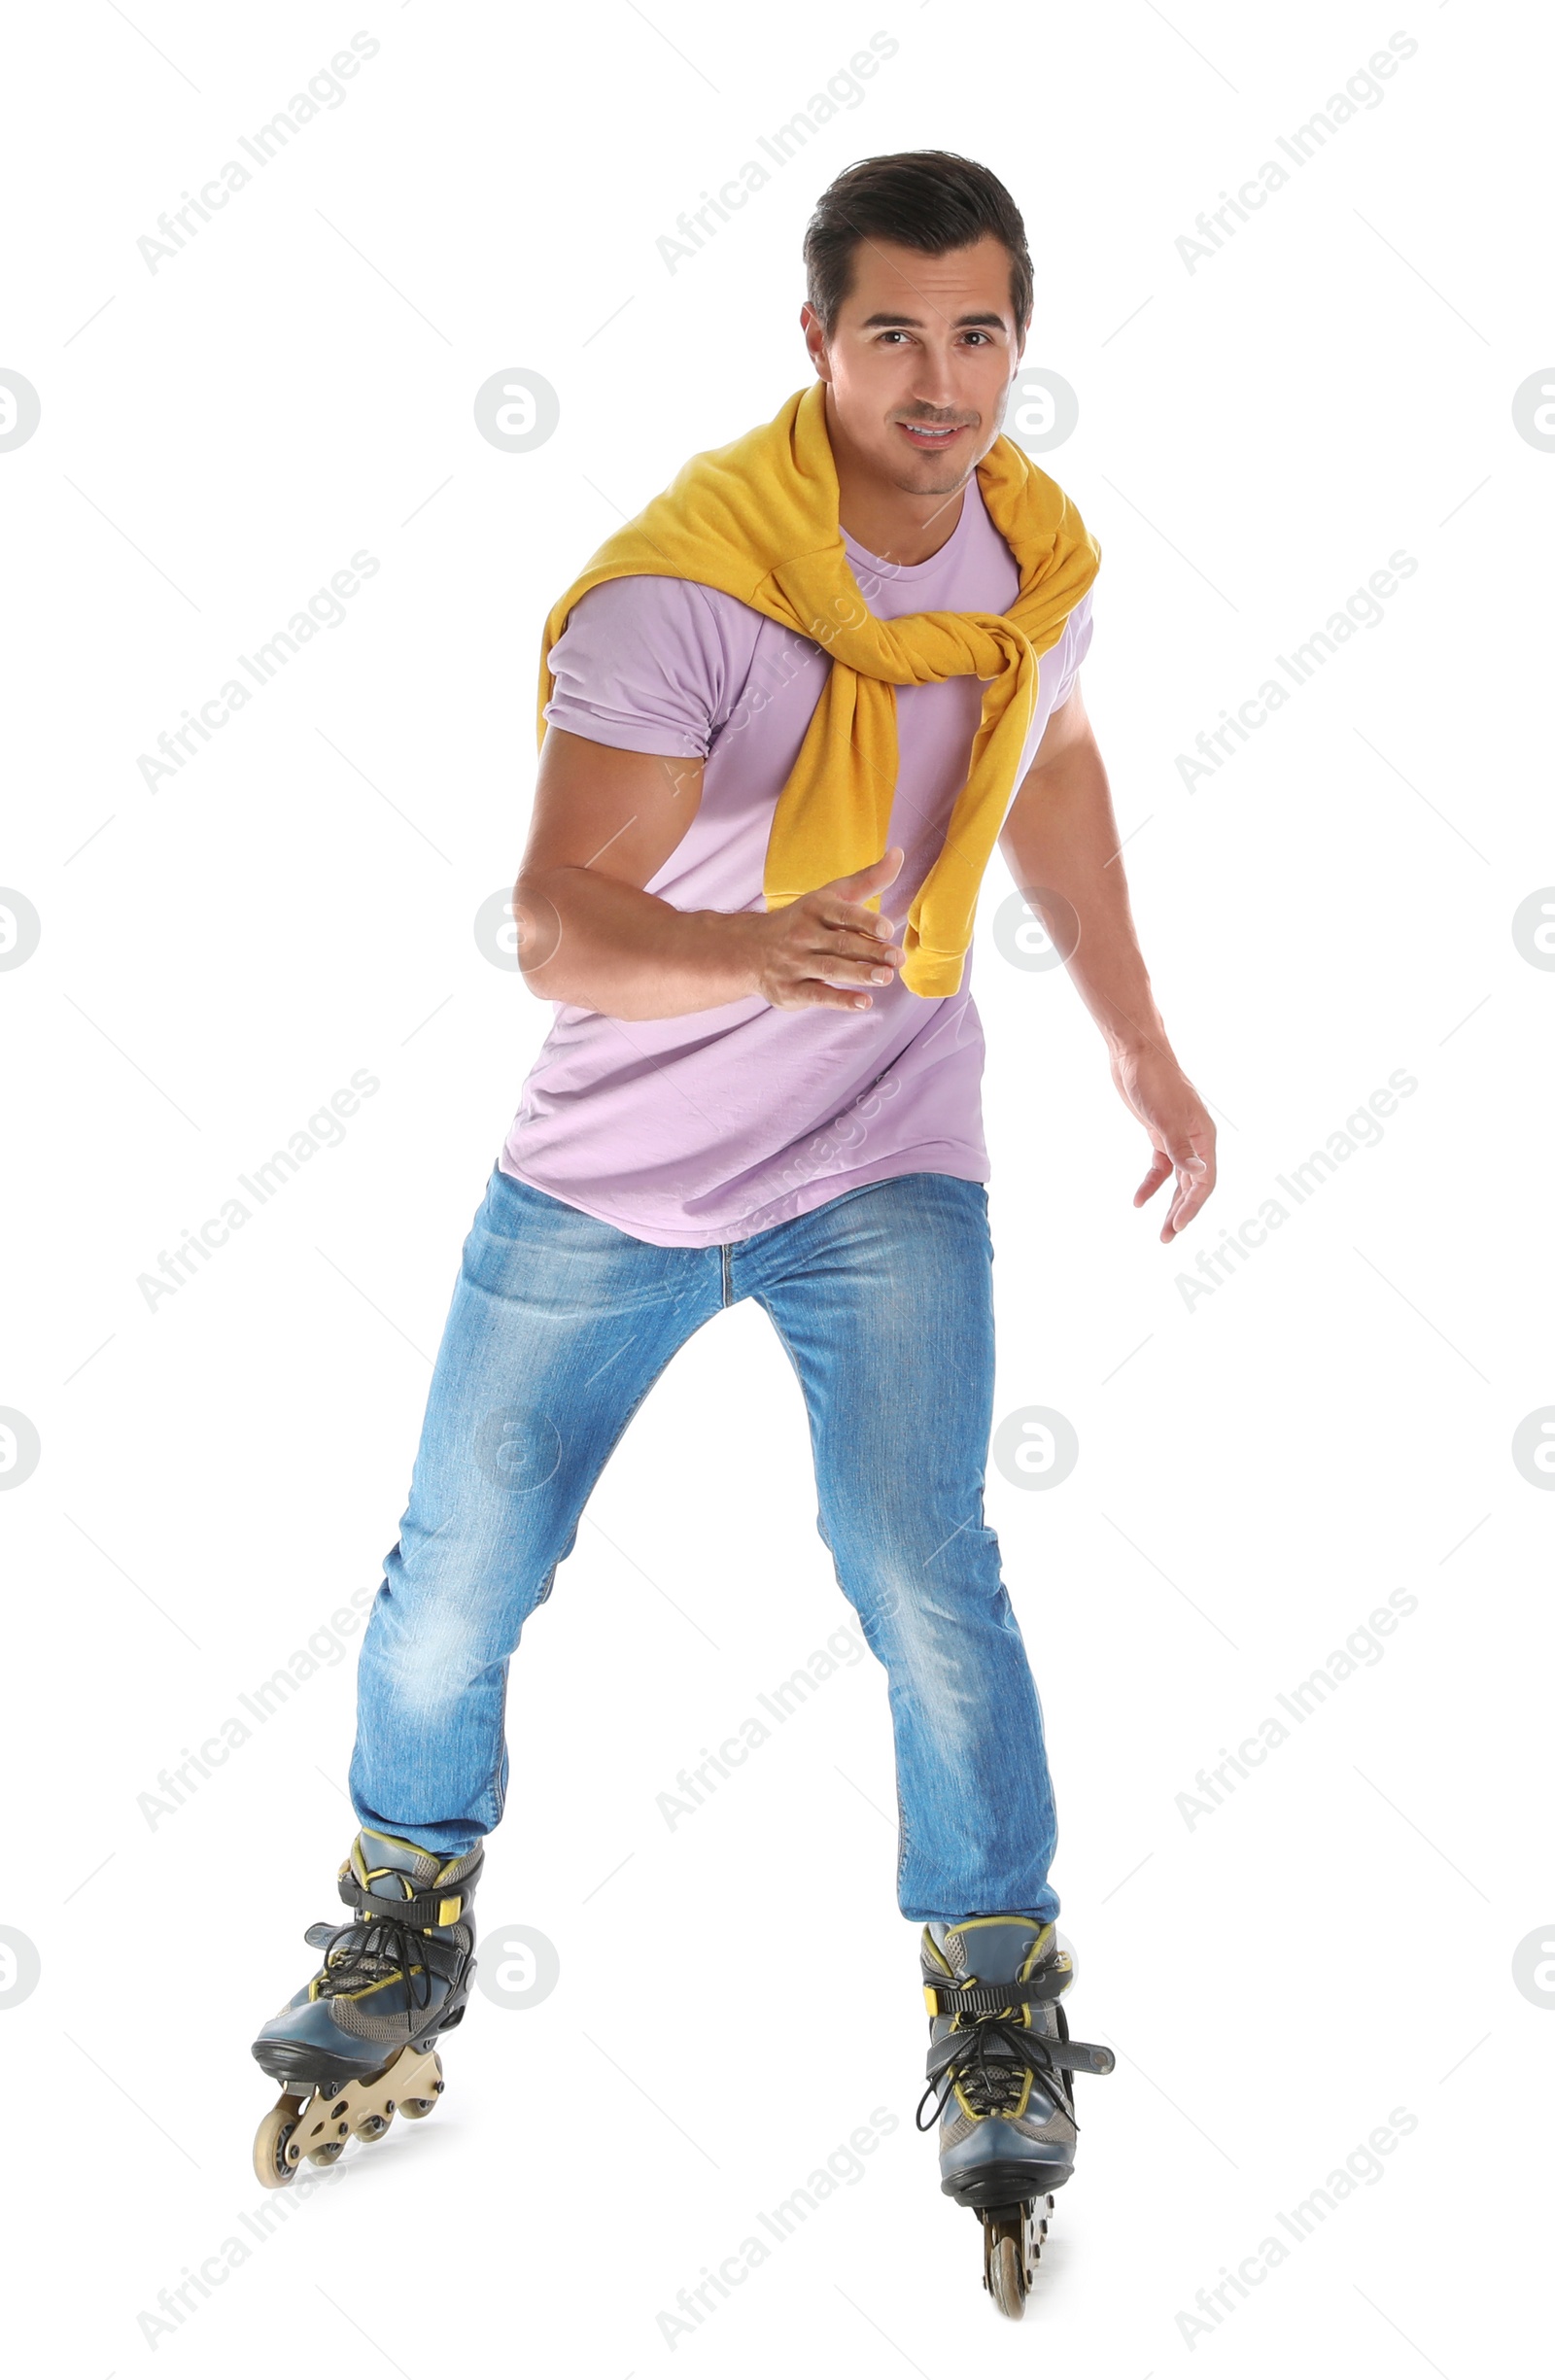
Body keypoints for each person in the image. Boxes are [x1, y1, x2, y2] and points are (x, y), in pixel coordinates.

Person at [250, 147, 1216, 2312]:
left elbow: (1043, 769)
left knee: (919, 1566)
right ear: (813, 338)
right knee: (454, 1579)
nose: (940, 378)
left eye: (977, 331)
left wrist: (1140, 1047)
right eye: (893, 330)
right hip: (608, 1174)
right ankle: (399, 1913)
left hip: (887, 1154)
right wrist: (752, 953)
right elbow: (554, 915)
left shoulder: (1031, 567)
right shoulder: (681, 595)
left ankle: (991, 1980)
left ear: (1016, 341)